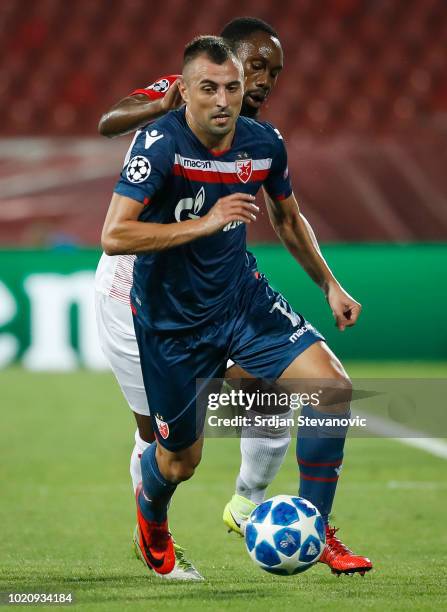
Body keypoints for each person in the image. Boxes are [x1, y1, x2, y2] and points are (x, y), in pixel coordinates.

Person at [97, 17, 372, 578]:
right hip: (154, 304)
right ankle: (152, 520)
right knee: (173, 455)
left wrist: (329, 283)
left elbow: (287, 217)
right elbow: (112, 190)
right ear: (208, 74)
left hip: (235, 297)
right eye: (255, 68)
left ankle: (307, 528)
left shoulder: (263, 141)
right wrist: (203, 215)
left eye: (270, 75)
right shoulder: (164, 131)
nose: (262, 83)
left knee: (326, 390)